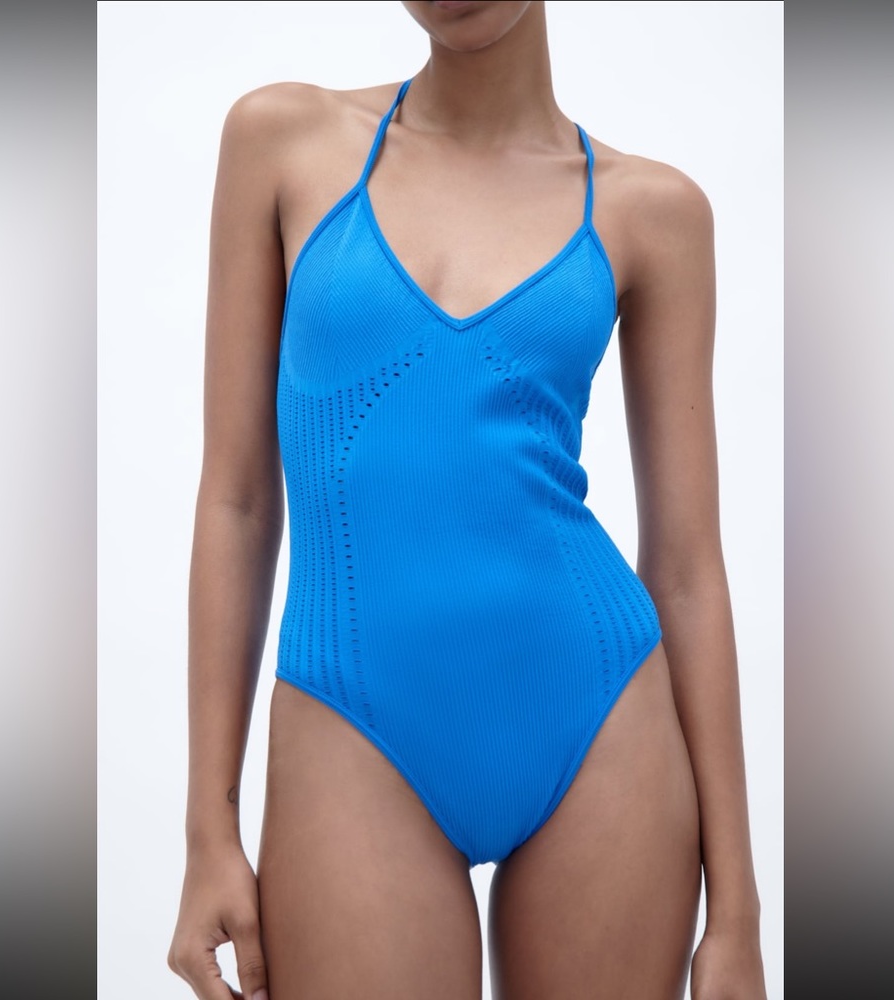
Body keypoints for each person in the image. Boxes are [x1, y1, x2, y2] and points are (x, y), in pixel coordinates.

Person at [168, 2, 767, 998]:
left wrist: (738, 913)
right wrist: (207, 833)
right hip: (350, 721)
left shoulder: (653, 210)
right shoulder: (283, 142)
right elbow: (236, 500)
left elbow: (687, 568)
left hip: (598, 719)